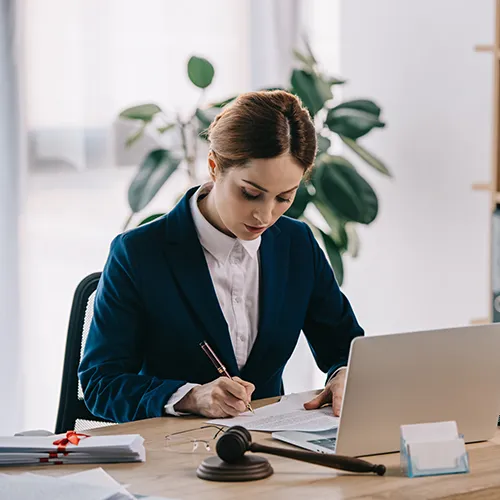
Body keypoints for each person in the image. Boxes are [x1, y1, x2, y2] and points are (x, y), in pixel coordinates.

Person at [78, 90, 364, 423]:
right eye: (250, 194)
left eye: (284, 198)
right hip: (172, 453)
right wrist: (189, 396)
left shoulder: (297, 244)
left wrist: (344, 374)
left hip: (270, 449)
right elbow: (101, 383)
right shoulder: (138, 254)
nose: (265, 216)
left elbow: (345, 346)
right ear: (214, 167)